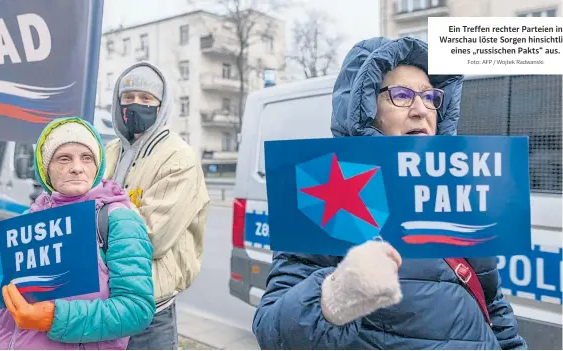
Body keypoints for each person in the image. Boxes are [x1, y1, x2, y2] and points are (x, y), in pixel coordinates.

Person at [251, 37, 527, 350]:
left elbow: (491, 303)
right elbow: (272, 332)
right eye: (401, 95)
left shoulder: (456, 191)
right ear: (365, 106)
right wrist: (336, 296)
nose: (421, 110)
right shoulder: (326, 188)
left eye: (430, 96)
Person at [0, 116, 155, 349]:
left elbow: (136, 309)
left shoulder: (117, 220)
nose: (76, 167)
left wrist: (54, 318)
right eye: (64, 158)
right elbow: (6, 290)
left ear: (97, 165)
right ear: (45, 168)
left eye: (87, 157)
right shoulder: (28, 219)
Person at [104, 61, 210, 350]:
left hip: (150, 309)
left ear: (161, 105)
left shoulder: (178, 159)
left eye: (146, 99)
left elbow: (152, 236)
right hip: (106, 302)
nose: (136, 105)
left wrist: (94, 225)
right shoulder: (109, 152)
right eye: (128, 98)